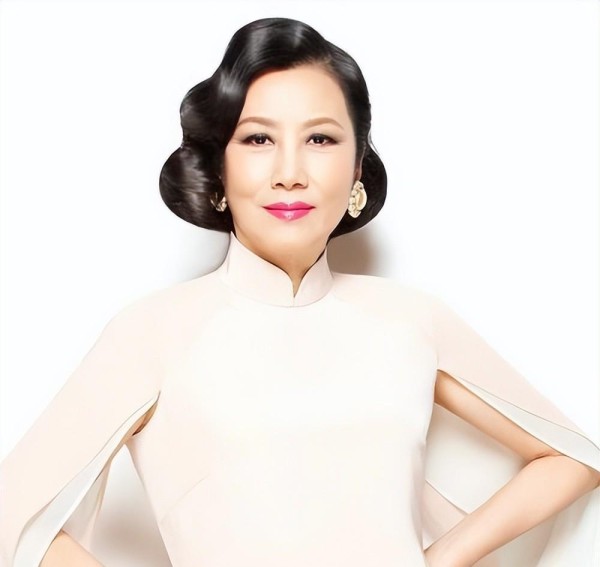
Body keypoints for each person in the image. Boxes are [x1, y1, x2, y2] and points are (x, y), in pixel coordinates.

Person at [1, 16, 599, 567]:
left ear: (358, 168)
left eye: (321, 140)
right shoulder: (154, 331)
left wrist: (435, 561)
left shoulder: (411, 319)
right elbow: (12, 513)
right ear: (219, 170)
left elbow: (573, 458)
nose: (290, 173)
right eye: (258, 140)